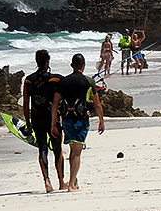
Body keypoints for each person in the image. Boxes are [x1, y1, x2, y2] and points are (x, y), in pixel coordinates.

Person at [51, 53, 105, 192]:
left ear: (71, 65)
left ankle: (73, 181)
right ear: (83, 65)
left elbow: (55, 104)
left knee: (72, 150)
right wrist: (101, 120)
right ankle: (71, 185)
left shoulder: (62, 82)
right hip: (81, 120)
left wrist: (53, 123)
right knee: (77, 153)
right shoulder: (89, 82)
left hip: (67, 119)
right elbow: (97, 104)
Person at [22, 49, 64, 192]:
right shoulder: (55, 79)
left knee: (43, 149)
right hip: (52, 119)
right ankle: (61, 181)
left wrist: (28, 123)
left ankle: (47, 181)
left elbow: (26, 103)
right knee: (57, 149)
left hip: (37, 118)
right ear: (47, 62)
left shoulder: (28, 80)